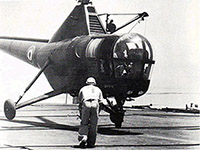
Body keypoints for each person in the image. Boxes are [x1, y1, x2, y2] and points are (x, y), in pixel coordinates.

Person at [78, 77, 103, 148]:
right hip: (95, 103)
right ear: (94, 83)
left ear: (87, 82)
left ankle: (84, 137)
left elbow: (80, 102)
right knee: (93, 125)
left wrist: (81, 113)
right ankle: (91, 143)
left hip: (86, 103)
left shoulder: (83, 89)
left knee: (84, 123)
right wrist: (97, 112)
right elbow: (101, 102)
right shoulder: (98, 89)